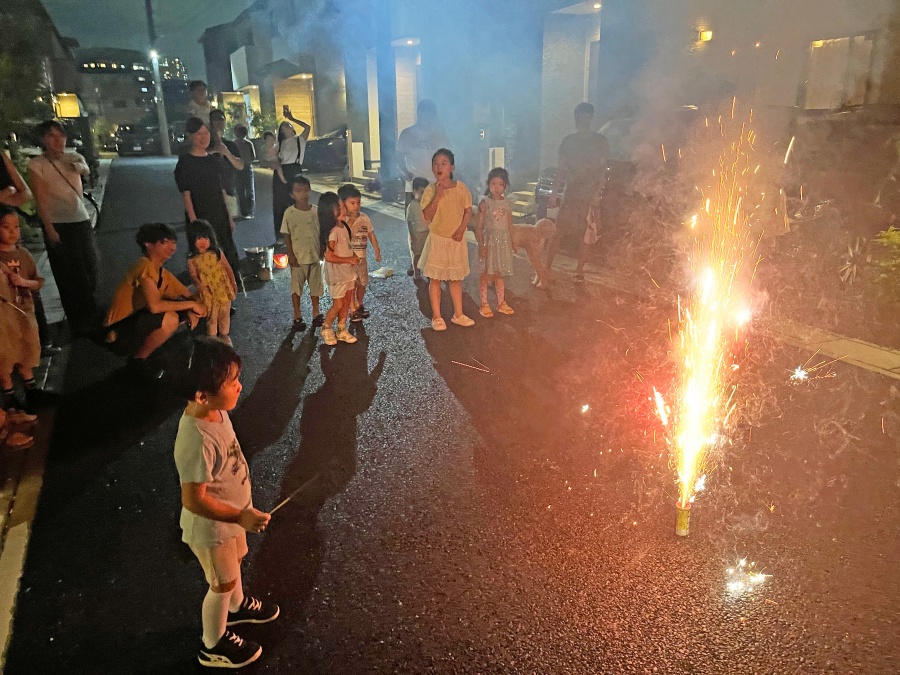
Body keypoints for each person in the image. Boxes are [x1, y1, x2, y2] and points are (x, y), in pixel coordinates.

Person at [173, 337, 279, 669]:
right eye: (232, 382)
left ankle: (237, 606)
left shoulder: (216, 412)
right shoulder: (196, 439)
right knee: (221, 584)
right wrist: (240, 517)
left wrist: (240, 515)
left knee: (237, 563)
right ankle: (213, 643)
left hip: (232, 518)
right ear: (202, 396)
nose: (239, 386)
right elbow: (193, 500)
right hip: (212, 529)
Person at [27, 120, 99, 333]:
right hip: (57, 224)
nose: (58, 140)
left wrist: (78, 167)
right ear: (43, 139)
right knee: (68, 273)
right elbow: (40, 199)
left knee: (91, 268)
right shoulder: (37, 164)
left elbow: (85, 169)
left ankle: (92, 313)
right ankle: (78, 320)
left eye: (61, 135)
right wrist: (49, 228)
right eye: (52, 136)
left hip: (80, 219)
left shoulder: (73, 157)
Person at [104, 223, 206, 368]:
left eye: (173, 242)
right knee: (170, 317)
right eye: (164, 242)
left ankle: (153, 349)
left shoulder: (163, 274)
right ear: (148, 245)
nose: (172, 246)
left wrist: (194, 307)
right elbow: (155, 306)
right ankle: (138, 361)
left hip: (136, 322)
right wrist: (192, 305)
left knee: (181, 309)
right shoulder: (143, 265)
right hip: (118, 332)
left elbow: (190, 295)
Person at [546, 102, 609, 282]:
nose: (582, 120)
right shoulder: (568, 141)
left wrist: (598, 193)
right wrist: (553, 194)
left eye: (586, 116)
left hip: (589, 195)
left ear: (591, 118)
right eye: (579, 116)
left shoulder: (600, 141)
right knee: (558, 231)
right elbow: (561, 170)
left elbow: (602, 170)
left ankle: (579, 271)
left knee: (586, 234)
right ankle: (546, 268)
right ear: (576, 118)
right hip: (571, 194)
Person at [174, 117, 240, 276]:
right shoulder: (185, 162)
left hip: (219, 212)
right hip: (201, 213)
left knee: (227, 252)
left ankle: (231, 283)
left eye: (206, 133)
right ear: (190, 136)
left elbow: (222, 190)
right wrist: (194, 223)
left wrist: (229, 217)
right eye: (198, 134)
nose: (203, 137)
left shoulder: (214, 160)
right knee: (205, 255)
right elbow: (186, 194)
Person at [418, 149, 474, 331]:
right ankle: (437, 316)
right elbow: (427, 216)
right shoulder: (430, 190)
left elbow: (467, 210)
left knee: (455, 279)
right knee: (435, 279)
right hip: (438, 240)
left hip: (456, 240)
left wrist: (462, 229)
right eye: (436, 163)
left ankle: (458, 314)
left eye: (443, 163)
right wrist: (438, 194)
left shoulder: (461, 188)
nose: (439, 167)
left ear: (452, 167)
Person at [0, 206, 42, 419]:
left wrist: (24, 282)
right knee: (5, 354)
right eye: (6, 227)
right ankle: (8, 394)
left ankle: (30, 389)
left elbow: (38, 281)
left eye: (16, 226)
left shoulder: (23, 254)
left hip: (24, 312)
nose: (13, 232)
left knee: (27, 347)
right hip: (3, 318)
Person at [280, 176, 323, 331]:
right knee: (296, 288)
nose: (303, 194)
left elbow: (321, 232)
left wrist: (322, 249)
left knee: (315, 287)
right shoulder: (289, 213)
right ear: (292, 194)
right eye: (298, 191)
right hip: (298, 258)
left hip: (314, 256)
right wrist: (290, 254)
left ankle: (316, 313)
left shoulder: (315, 211)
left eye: (306, 190)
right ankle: (297, 315)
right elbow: (286, 234)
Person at [186, 220, 237, 346]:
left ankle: (224, 335)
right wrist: (199, 284)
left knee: (225, 313)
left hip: (223, 289)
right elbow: (193, 274)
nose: (203, 242)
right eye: (199, 238)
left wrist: (233, 283)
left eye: (206, 238)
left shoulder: (217, 253)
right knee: (212, 316)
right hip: (208, 292)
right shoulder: (192, 259)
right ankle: (213, 337)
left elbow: (227, 268)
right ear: (192, 240)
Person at [319, 192, 358, 345]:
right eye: (339, 207)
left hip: (348, 273)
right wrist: (349, 259)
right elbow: (329, 256)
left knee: (347, 302)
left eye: (342, 206)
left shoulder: (344, 226)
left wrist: (353, 256)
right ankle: (326, 327)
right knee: (338, 304)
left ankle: (342, 329)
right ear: (330, 211)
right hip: (337, 275)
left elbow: (346, 247)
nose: (343, 209)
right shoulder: (333, 232)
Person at [476, 167, 516, 318]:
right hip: (490, 241)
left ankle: (501, 303)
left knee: (499, 273)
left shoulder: (507, 204)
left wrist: (513, 242)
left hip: (503, 242)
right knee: (486, 273)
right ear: (488, 184)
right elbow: (479, 227)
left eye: (500, 184)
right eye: (493, 183)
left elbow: (510, 225)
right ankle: (484, 304)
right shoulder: (484, 203)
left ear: (505, 185)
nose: (497, 187)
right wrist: (481, 245)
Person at [337, 184, 380, 323]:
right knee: (351, 285)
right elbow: (342, 236)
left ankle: (359, 304)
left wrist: (377, 250)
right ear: (343, 204)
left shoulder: (364, 218)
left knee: (362, 283)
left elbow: (371, 234)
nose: (356, 206)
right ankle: (352, 309)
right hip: (348, 259)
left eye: (358, 202)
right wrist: (351, 220)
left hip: (362, 258)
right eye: (352, 203)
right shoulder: (342, 220)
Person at [397, 100, 449, 206]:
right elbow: (399, 157)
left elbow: (447, 159)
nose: (427, 118)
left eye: (430, 115)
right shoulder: (407, 134)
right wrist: (404, 172)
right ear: (419, 113)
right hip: (414, 185)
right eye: (425, 114)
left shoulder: (440, 135)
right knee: (413, 214)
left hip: (435, 184)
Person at [271, 107, 311, 243]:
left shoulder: (300, 139)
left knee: (296, 202)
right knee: (280, 204)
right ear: (281, 131)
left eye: (288, 125)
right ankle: (281, 235)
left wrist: (292, 118)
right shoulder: (280, 144)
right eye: (283, 126)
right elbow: (273, 159)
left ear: (293, 128)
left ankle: (298, 233)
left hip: (294, 171)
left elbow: (307, 127)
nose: (286, 127)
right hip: (281, 171)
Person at [208, 109, 244, 220]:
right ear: (210, 122)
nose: (219, 123)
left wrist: (226, 152)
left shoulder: (230, 145)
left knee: (229, 226)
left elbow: (240, 165)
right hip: (208, 194)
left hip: (229, 191)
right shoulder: (205, 144)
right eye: (215, 119)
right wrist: (213, 150)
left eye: (221, 119)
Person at [406, 177, 429, 280]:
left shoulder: (428, 204)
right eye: (422, 192)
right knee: (417, 254)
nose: (424, 195)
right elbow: (409, 223)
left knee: (427, 254)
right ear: (414, 191)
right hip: (417, 234)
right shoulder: (412, 206)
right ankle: (416, 272)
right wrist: (413, 236)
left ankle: (427, 271)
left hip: (428, 233)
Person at [232, 124, 256, 219]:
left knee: (243, 190)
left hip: (241, 168)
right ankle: (247, 212)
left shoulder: (236, 143)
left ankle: (246, 212)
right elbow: (253, 156)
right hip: (245, 167)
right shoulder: (248, 143)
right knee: (246, 190)